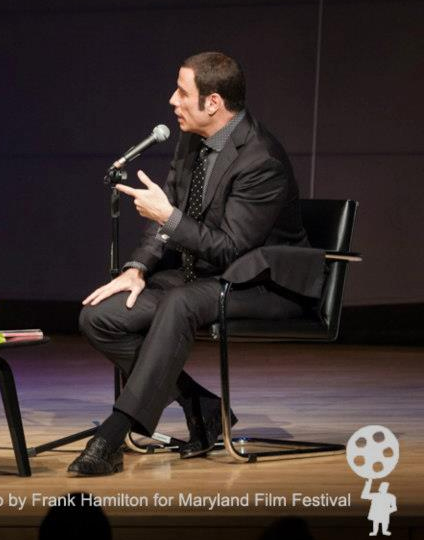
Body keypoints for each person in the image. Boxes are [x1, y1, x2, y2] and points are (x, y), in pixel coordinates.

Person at [70, 52, 313, 475]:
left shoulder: (261, 160)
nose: (172, 100)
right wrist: (138, 269)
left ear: (214, 102)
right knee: (99, 317)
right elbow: (171, 213)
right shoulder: (192, 141)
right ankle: (200, 406)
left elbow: (230, 249)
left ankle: (111, 435)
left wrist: (167, 216)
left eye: (183, 92)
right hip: (201, 277)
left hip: (261, 284)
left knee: (180, 303)